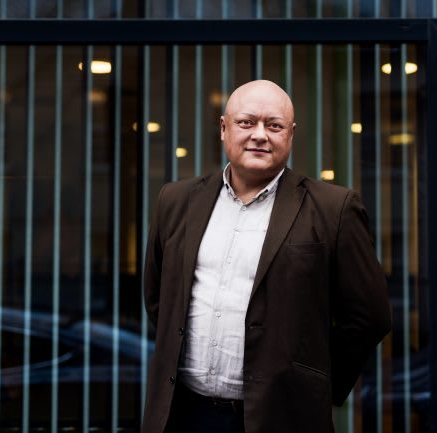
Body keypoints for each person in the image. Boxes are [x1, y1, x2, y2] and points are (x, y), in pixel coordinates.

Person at [142, 80, 391, 433]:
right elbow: (159, 299)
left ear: (291, 134)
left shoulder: (333, 209)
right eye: (246, 122)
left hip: (284, 416)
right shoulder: (175, 200)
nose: (259, 135)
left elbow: (370, 316)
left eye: (274, 125)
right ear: (224, 128)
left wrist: (312, 381)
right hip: (182, 413)